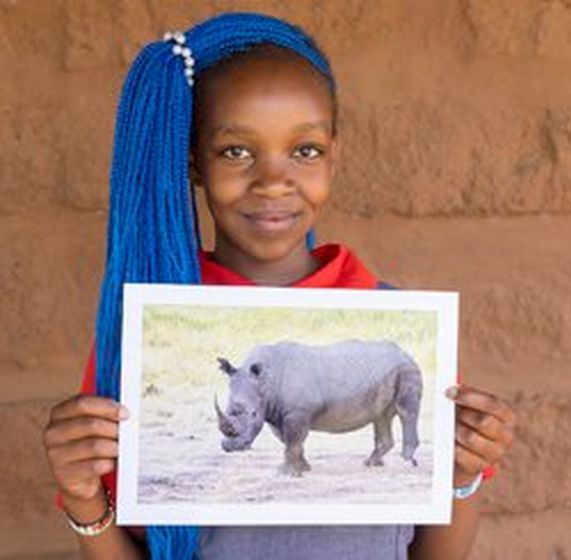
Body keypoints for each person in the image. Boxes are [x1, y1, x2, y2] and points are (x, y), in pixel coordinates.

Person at [41, 12, 516, 560]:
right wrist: (83, 500)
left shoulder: (399, 325)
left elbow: (435, 554)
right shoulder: (137, 336)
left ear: (333, 155)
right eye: (237, 151)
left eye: (305, 150)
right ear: (193, 163)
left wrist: (463, 474)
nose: (273, 180)